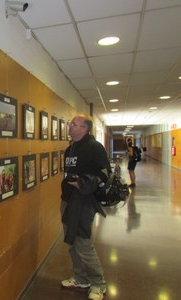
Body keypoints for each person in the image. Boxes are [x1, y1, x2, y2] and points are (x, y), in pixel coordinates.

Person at [61, 114, 111, 300]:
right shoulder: (70, 149)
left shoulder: (94, 148)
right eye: (71, 122)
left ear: (84, 128)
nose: (70, 125)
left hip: (83, 202)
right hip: (67, 201)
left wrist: (83, 183)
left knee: (83, 244)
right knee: (72, 242)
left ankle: (98, 284)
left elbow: (105, 173)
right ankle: (81, 278)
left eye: (74, 124)